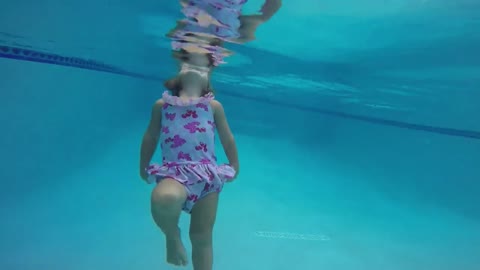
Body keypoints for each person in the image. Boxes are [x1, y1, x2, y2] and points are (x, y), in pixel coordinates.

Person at [139, 63, 239, 270]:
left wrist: (234, 163)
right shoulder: (162, 105)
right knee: (163, 198)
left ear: (208, 79)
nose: (196, 66)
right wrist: (144, 163)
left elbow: (227, 138)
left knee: (201, 237)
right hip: (174, 174)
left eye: (202, 65)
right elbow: (151, 136)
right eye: (189, 62)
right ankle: (172, 235)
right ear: (178, 72)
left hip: (207, 178)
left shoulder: (213, 107)